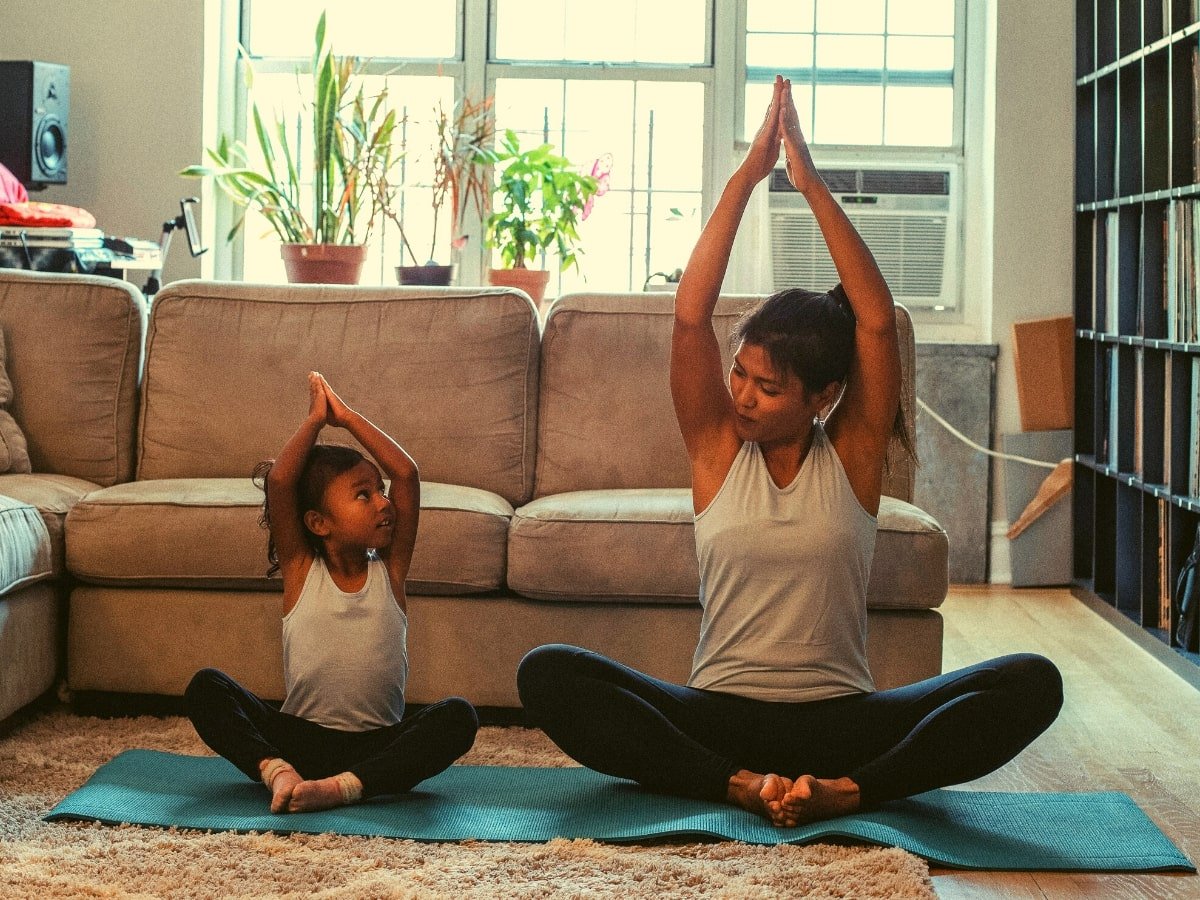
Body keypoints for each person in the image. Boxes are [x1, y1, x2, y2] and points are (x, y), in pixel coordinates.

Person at [517, 76, 1063, 827]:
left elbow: (875, 322)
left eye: (766, 388)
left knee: (1033, 680)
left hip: (841, 722)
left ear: (823, 396)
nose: (740, 395)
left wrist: (809, 184)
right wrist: (747, 177)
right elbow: (687, 319)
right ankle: (736, 784)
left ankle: (850, 791)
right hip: (717, 714)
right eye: (739, 374)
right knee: (547, 674)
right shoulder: (716, 447)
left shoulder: (853, 454)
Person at [185, 372, 478, 813]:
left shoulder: (391, 571)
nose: (383, 503)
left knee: (458, 717)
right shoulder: (302, 571)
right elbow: (281, 483)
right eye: (363, 495)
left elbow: (407, 474)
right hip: (301, 740)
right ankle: (277, 772)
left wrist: (346, 417)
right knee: (206, 688)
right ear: (319, 523)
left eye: (380, 492)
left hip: (379, 746)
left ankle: (344, 787)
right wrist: (314, 422)